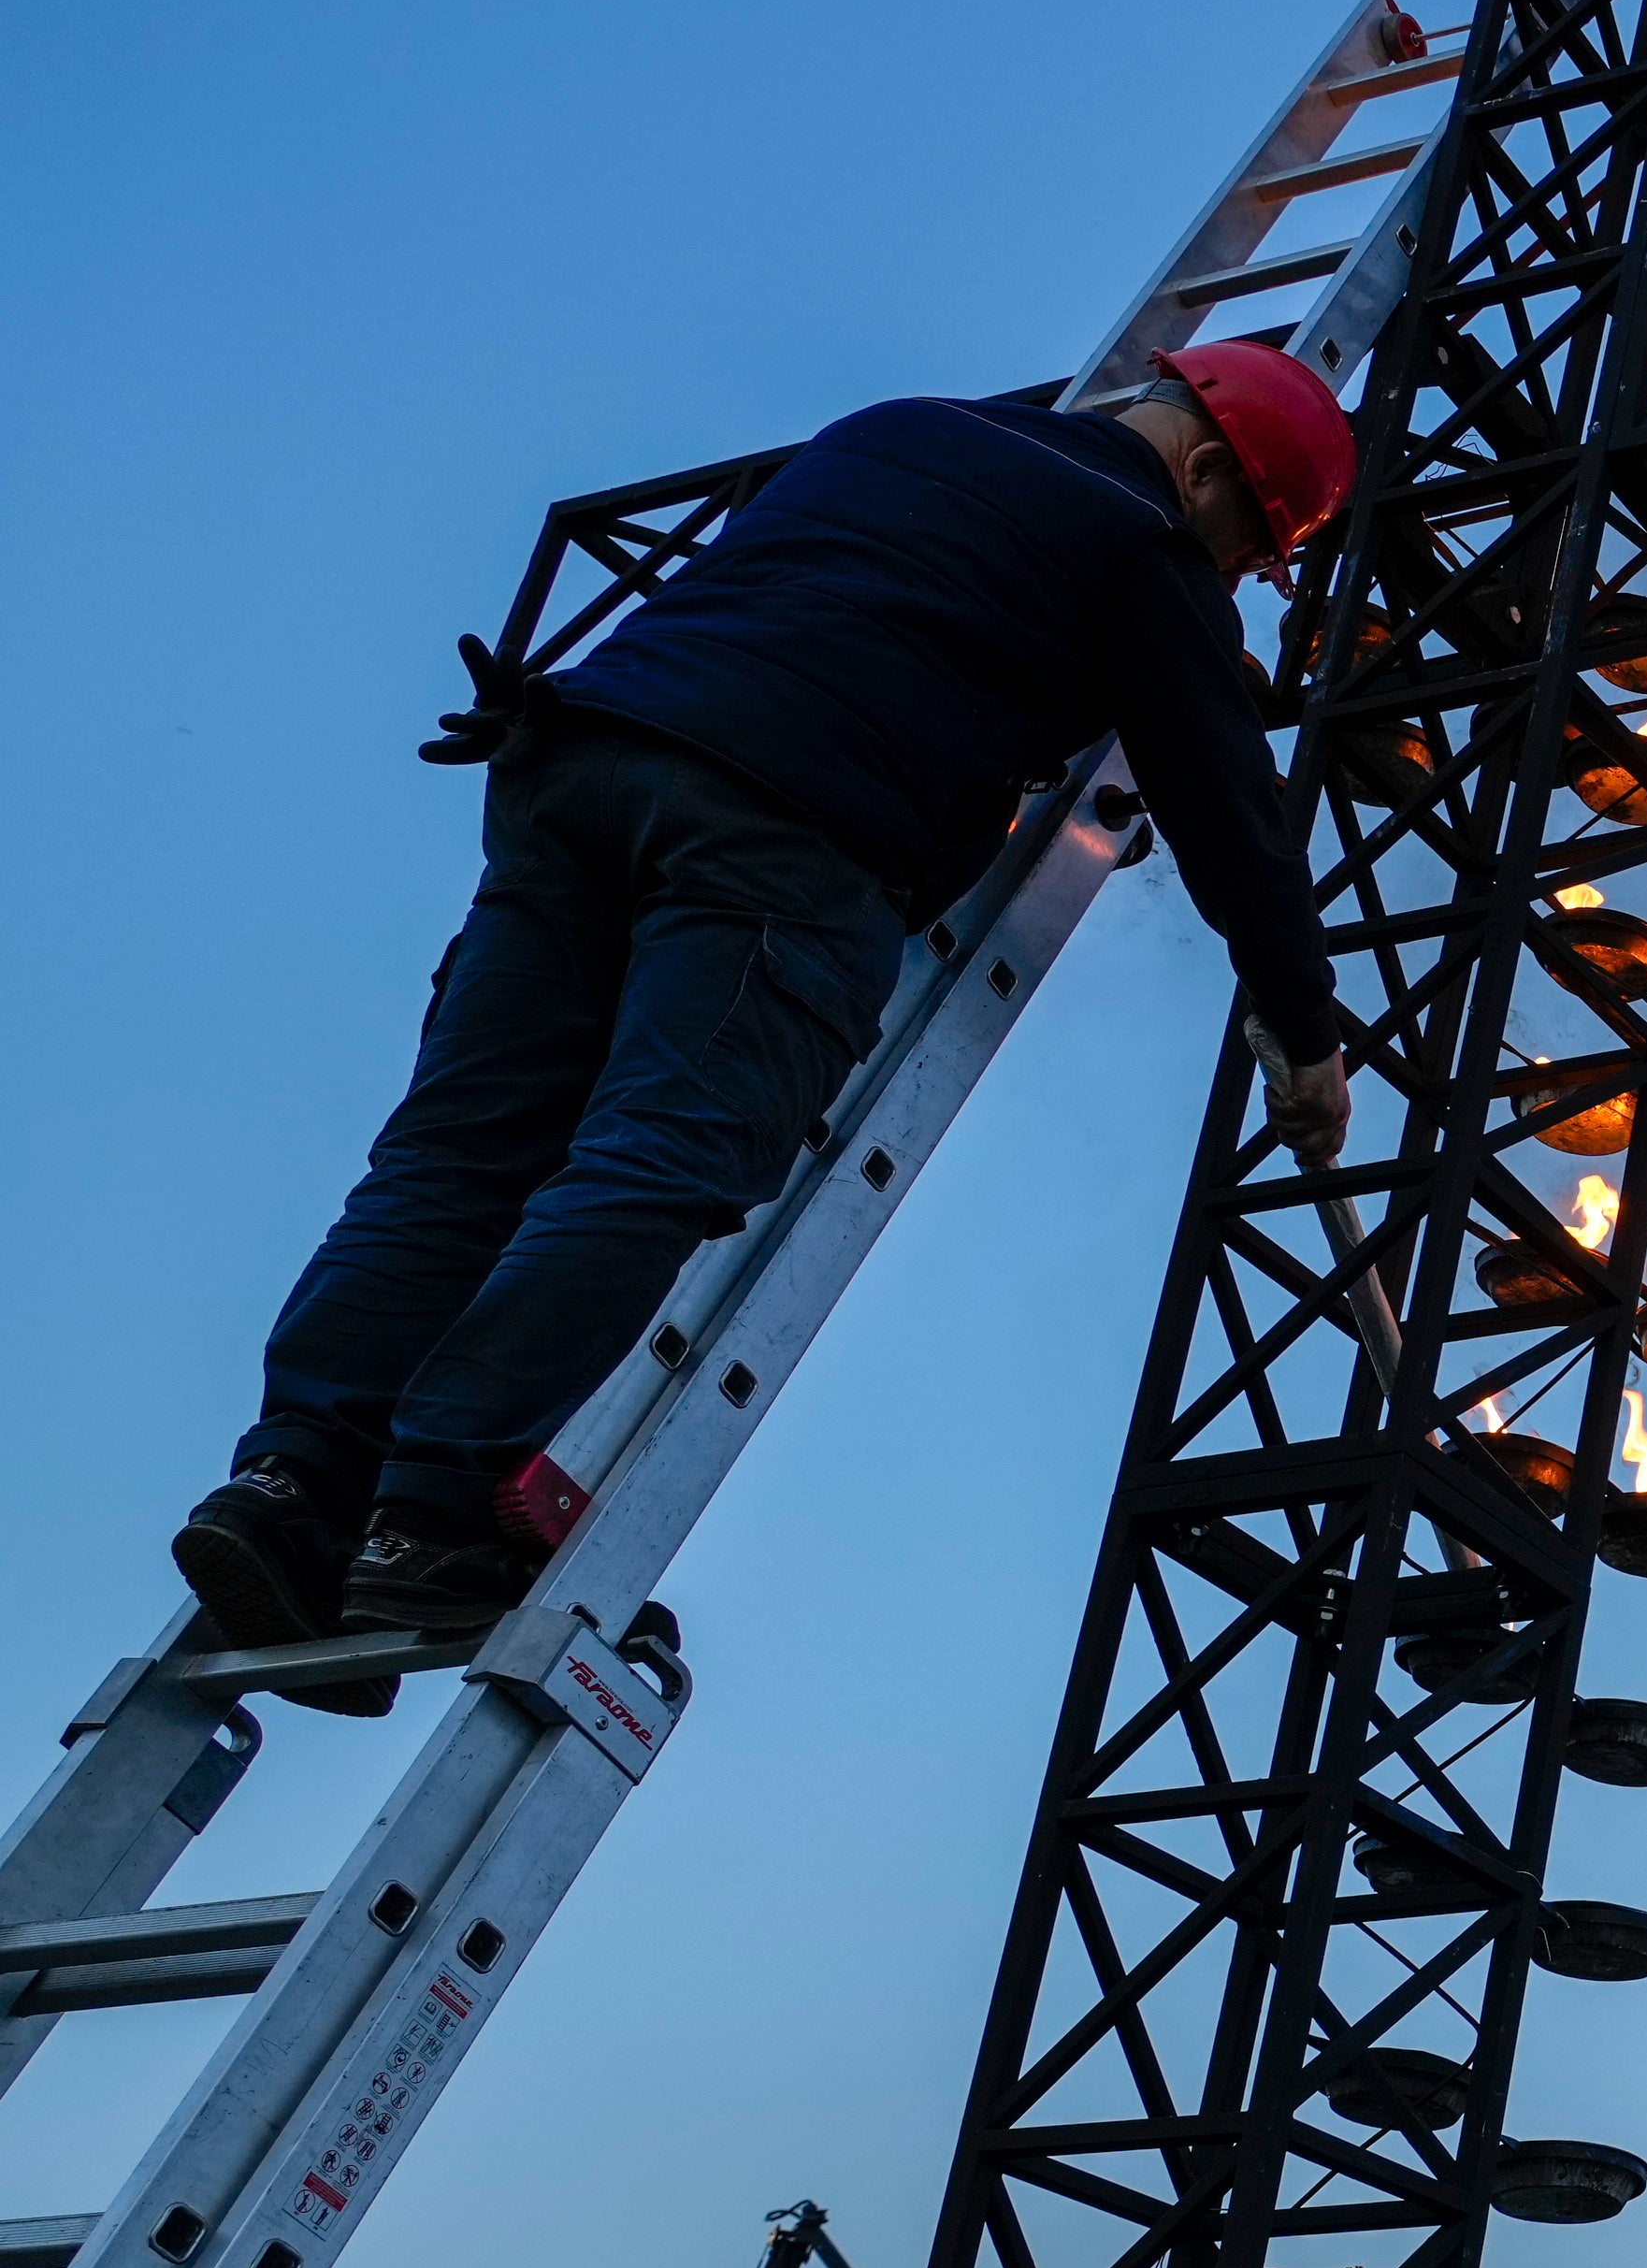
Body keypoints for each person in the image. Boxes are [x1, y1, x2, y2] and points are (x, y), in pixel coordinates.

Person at [172, 340, 1366, 1682]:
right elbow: (1229, 819)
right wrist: (1306, 1031)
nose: (1231, 581)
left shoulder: (898, 429)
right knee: (661, 1153)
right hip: (786, 834)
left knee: (455, 1156)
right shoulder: (1148, 550)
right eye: (1242, 549)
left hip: (580, 770)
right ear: (1205, 469)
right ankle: (435, 1519)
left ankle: (293, 1487)